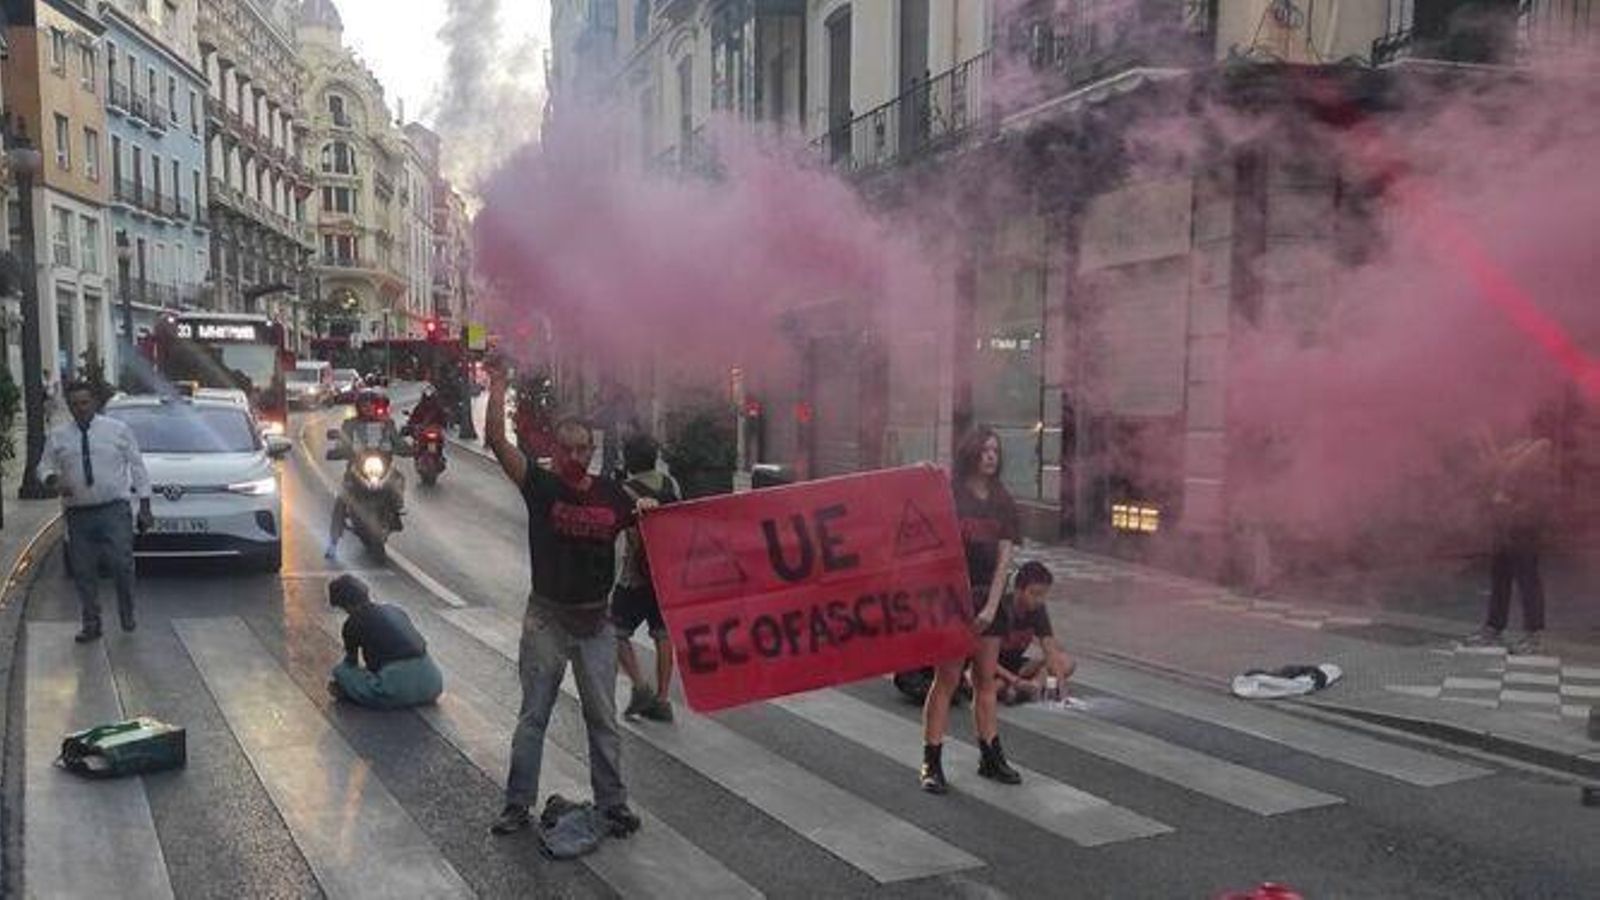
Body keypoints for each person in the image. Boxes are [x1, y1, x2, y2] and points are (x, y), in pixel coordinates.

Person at [483, 355, 653, 841]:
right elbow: (497, 441)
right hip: (548, 621)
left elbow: (649, 529)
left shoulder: (614, 495)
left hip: (596, 623)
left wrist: (647, 509)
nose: (576, 456)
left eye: (584, 448)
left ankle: (613, 804)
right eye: (568, 448)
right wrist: (498, 385)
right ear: (554, 451)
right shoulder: (540, 485)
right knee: (534, 715)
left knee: (603, 719)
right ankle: (517, 805)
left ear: (593, 450)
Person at [921, 425, 1022, 793]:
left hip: (988, 602)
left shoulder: (1004, 501)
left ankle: (990, 755)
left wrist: (991, 608)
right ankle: (931, 761)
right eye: (984, 450)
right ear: (971, 454)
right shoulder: (951, 494)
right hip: (953, 602)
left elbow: (1004, 561)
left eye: (995, 450)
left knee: (985, 680)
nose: (991, 456)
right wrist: (921, 476)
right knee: (946, 680)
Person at [39, 381, 154, 642]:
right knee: (83, 571)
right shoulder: (58, 436)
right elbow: (44, 467)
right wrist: (53, 480)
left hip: (114, 509)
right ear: (69, 407)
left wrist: (145, 506)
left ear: (94, 403)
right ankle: (91, 622)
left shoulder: (117, 430)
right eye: (74, 404)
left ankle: (127, 611)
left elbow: (137, 467)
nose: (80, 408)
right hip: (78, 513)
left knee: (121, 564)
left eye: (84, 403)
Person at [611, 434, 683, 722]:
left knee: (614, 631)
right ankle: (663, 699)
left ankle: (640, 686)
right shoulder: (671, 484)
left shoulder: (625, 491)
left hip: (635, 576)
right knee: (663, 634)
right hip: (666, 573)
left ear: (629, 459)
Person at [1465, 432, 1555, 654]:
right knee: (1501, 578)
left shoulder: (1536, 460)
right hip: (1505, 526)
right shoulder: (1513, 459)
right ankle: (1495, 628)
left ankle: (1533, 635)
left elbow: (1537, 501)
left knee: (1526, 580)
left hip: (1522, 529)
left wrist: (1508, 504)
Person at [326, 574, 444, 708]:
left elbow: (351, 663)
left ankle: (353, 692)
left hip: (396, 687)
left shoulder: (352, 623)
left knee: (341, 672)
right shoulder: (395, 610)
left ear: (346, 605)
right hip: (432, 683)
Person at [325, 388, 408, 559]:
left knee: (399, 479)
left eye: (371, 404)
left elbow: (397, 441)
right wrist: (337, 451)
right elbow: (343, 442)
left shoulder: (387, 424)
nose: (368, 408)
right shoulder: (350, 424)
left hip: (383, 465)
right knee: (342, 498)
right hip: (357, 467)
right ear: (358, 407)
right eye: (364, 405)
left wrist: (408, 449)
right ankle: (333, 543)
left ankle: (395, 510)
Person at [993, 562, 1077, 706]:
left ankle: (1032, 687)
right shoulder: (1001, 609)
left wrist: (1063, 693)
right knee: (993, 686)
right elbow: (983, 660)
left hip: (1017, 666)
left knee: (1066, 662)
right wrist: (1015, 680)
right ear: (1019, 590)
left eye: (1043, 595)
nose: (1040, 600)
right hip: (992, 667)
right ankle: (1013, 688)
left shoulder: (1038, 610)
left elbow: (1050, 651)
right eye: (1035, 594)